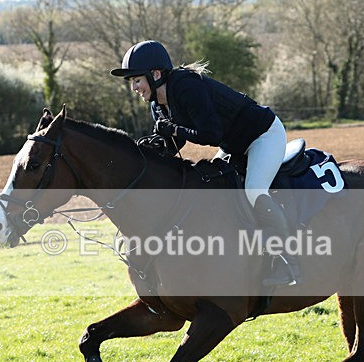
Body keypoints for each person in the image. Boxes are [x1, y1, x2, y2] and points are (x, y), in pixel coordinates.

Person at [111, 40, 301, 286]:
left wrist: (174, 129)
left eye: (137, 80)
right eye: (132, 82)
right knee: (214, 187)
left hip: (262, 135)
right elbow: (175, 143)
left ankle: (289, 262)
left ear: (155, 74)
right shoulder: (157, 104)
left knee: (254, 191)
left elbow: (210, 134)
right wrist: (152, 151)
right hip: (233, 145)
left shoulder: (187, 86)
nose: (134, 87)